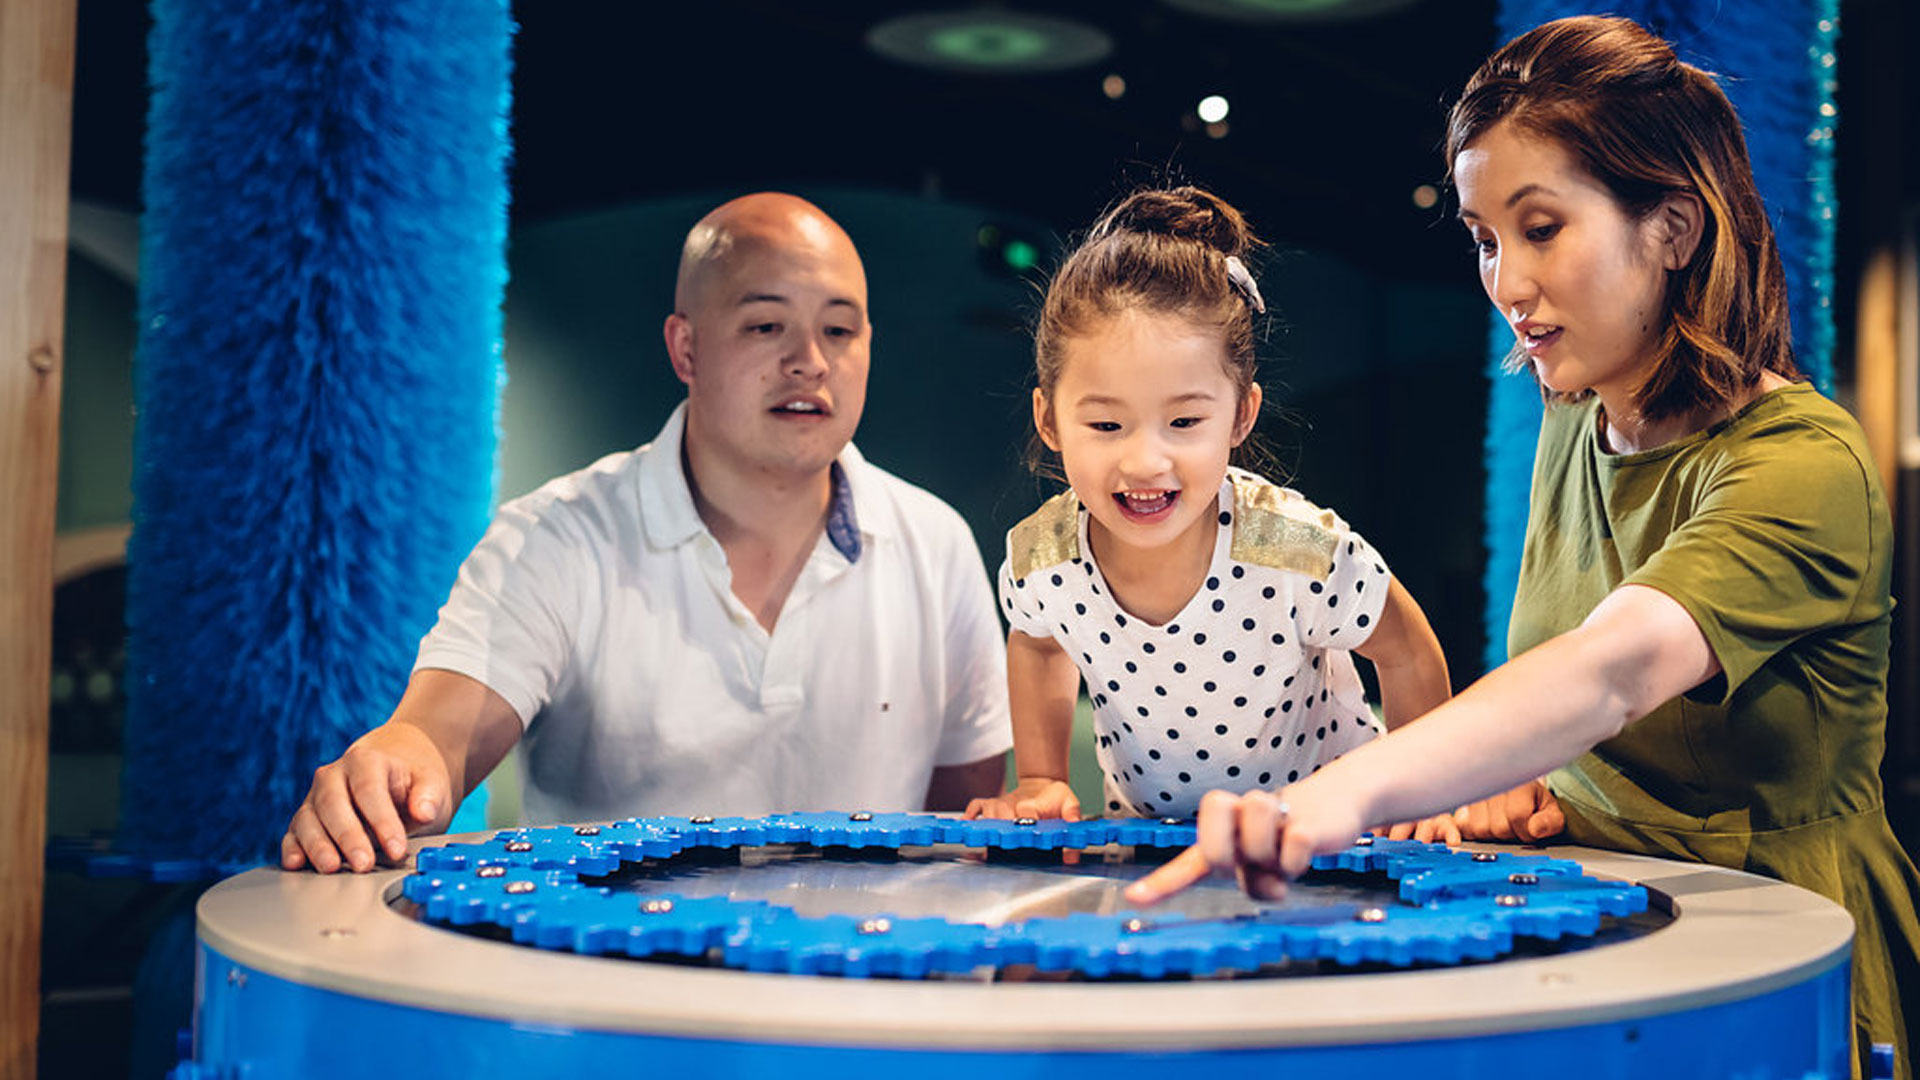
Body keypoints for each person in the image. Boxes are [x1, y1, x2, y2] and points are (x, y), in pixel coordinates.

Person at [1127, 18, 1920, 1077]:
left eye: (1541, 228)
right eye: (1487, 238)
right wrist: (1526, 790)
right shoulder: (1574, 410)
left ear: (1675, 226)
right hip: (1603, 933)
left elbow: (1614, 667)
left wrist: (1338, 796)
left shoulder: (1805, 464)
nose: (1506, 282)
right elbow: (1578, 725)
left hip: (1773, 968)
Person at [281, 192, 1012, 874]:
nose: (810, 361)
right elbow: (435, 739)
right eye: (766, 325)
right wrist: (393, 763)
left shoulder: (934, 545)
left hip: (863, 989)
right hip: (606, 993)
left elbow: (959, 844)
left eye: (840, 330)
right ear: (685, 348)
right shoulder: (557, 537)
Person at [964, 186, 1452, 823]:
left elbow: (1407, 649)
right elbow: (1036, 642)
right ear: (1049, 420)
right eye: (1107, 426)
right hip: (1153, 848)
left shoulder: (1291, 546)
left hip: (1328, 842)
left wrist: (1419, 795)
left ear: (1240, 415)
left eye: (1185, 421)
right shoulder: (1042, 556)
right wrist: (1039, 777)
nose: (1144, 461)